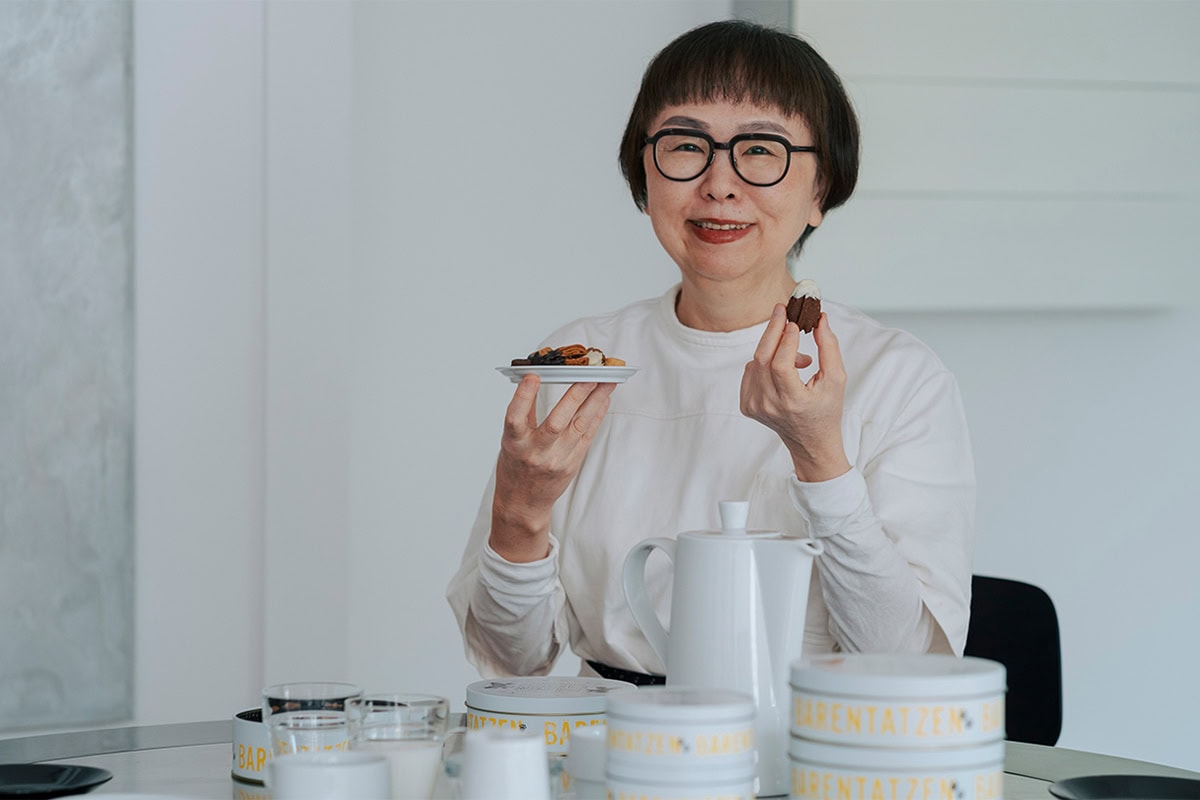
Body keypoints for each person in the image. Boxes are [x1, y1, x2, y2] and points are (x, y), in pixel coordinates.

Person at [446, 19, 974, 683]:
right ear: (644, 170)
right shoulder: (579, 362)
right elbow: (511, 658)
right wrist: (518, 511)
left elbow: (904, 668)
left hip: (808, 751)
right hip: (613, 755)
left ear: (821, 189)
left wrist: (820, 459)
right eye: (686, 144)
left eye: (760, 150)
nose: (718, 184)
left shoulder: (899, 379)